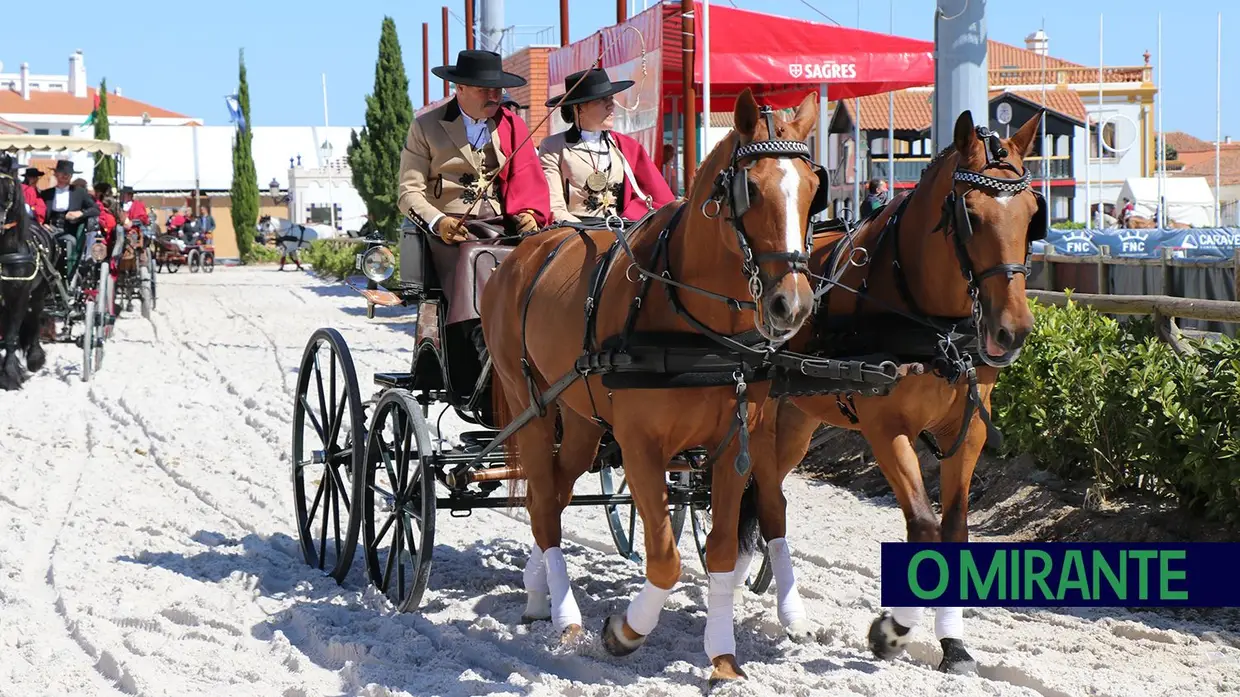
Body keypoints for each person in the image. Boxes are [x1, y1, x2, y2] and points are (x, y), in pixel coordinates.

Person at [397, 49, 551, 364]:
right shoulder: (426, 126)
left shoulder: (512, 125)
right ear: (460, 89)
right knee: (473, 255)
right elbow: (408, 193)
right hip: (450, 231)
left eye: (497, 89)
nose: (493, 96)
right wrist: (438, 222)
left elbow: (527, 177)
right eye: (485, 89)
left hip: (501, 224)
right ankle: (482, 340)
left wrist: (529, 214)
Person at [538, 68, 674, 224]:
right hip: (574, 232)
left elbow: (659, 196)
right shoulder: (553, 147)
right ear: (579, 107)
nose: (611, 105)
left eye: (611, 98)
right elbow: (555, 207)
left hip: (621, 231)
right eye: (601, 100)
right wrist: (584, 230)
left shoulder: (627, 146)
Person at [39, 160, 99, 273]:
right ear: (56, 174)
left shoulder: (79, 192)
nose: (65, 175)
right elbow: (38, 211)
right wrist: (42, 224)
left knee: (68, 241)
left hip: (69, 230)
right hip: (48, 229)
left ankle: (65, 275)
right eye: (62, 172)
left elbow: (95, 209)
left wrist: (80, 213)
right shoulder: (47, 193)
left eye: (68, 173)